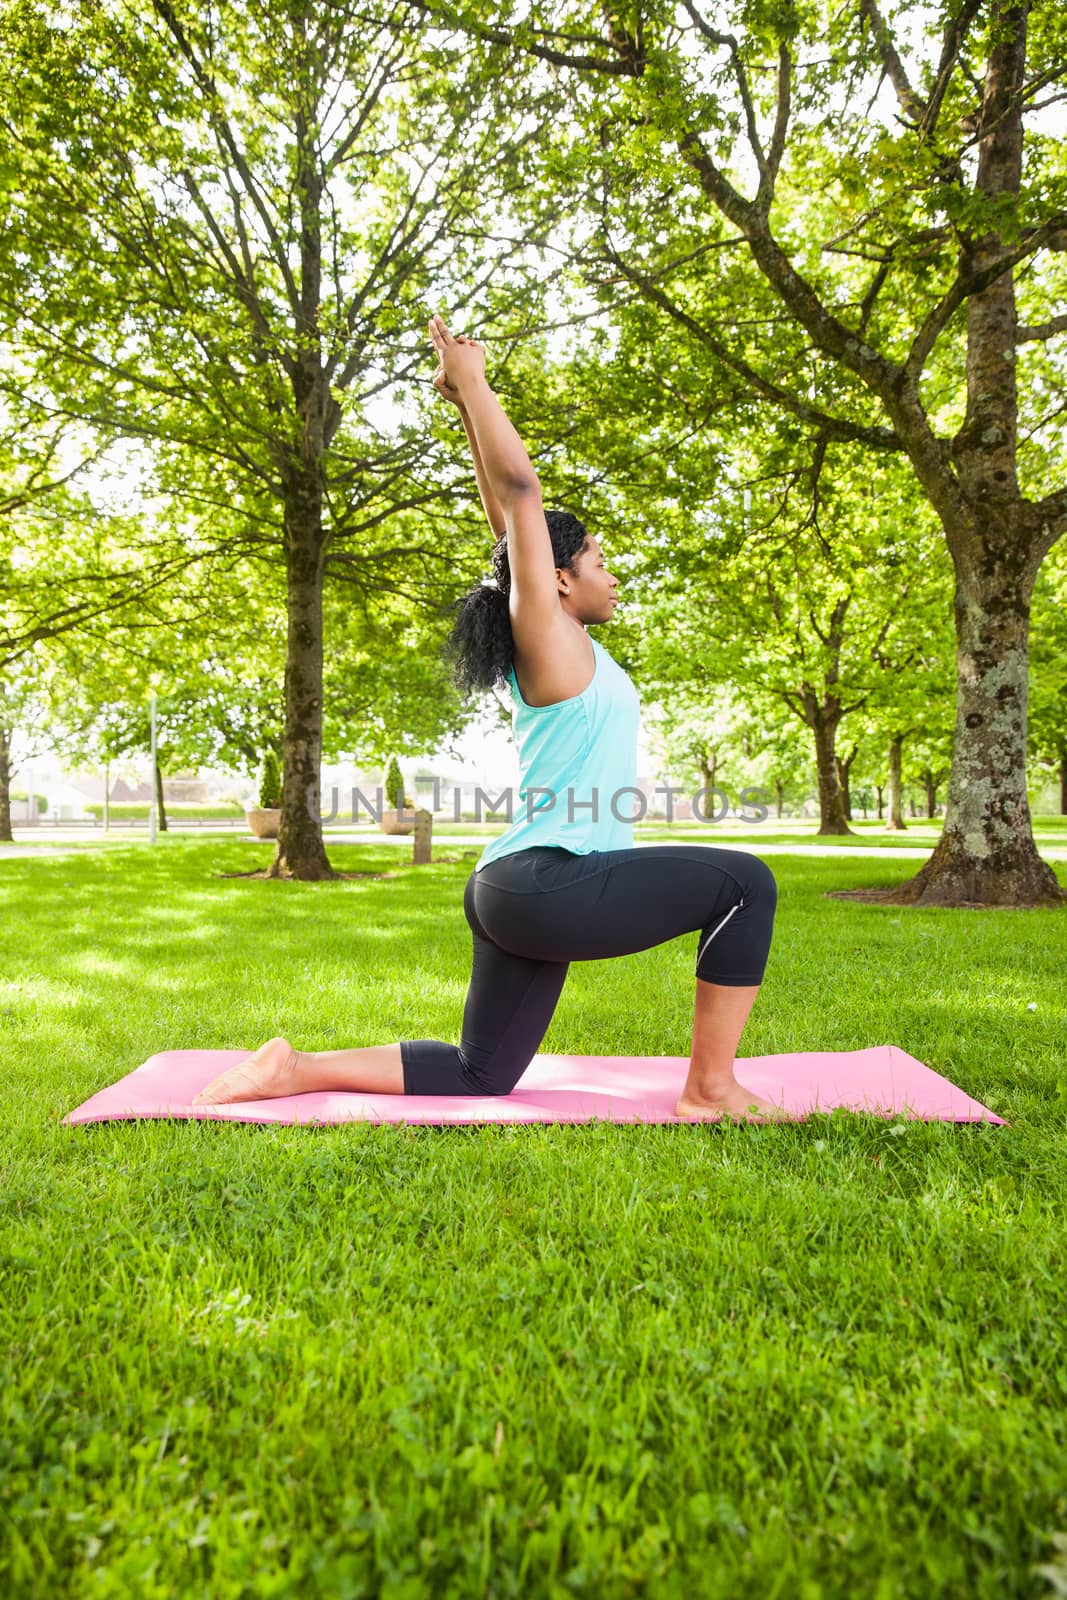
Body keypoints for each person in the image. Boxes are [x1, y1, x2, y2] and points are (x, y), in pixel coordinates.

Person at [193, 314, 783, 1121]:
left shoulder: (560, 641)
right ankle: (710, 1090)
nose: (612, 576)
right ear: (561, 582)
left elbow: (509, 532)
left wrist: (462, 407)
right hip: (546, 881)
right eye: (599, 561)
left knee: (482, 1074)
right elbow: (521, 502)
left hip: (512, 887)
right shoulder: (549, 638)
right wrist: (474, 382)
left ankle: (291, 1068)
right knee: (745, 884)